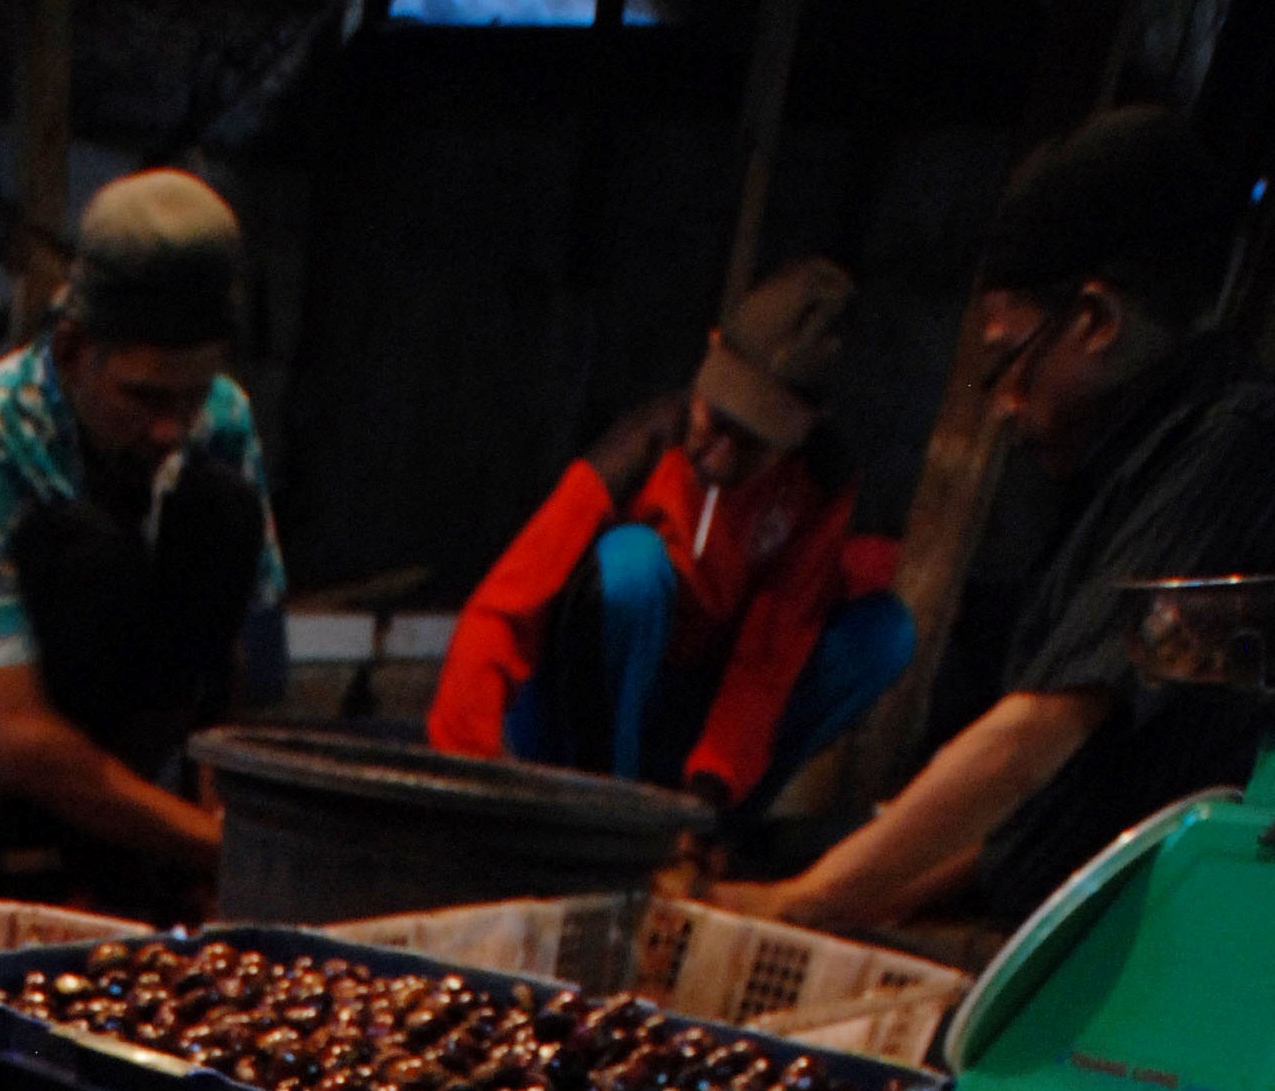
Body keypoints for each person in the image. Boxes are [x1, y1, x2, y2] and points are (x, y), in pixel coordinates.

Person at [718, 107, 1275, 933]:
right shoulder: (1117, 458)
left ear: (1095, 323)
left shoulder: (1229, 447)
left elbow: (1034, 739)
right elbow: (1043, 809)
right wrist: (864, 902)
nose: (1005, 404)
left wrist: (804, 899)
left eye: (1007, 359)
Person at [0, 169, 286, 919]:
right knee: (87, 551)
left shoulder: (219, 417)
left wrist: (221, 835)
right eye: (145, 396)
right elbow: (13, 732)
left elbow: (235, 659)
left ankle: (128, 843)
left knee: (219, 508)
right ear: (75, 349)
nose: (171, 427)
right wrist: (224, 850)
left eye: (191, 395)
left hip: (106, 717)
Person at [430, 258, 912, 818]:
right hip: (585, 710)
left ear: (806, 428)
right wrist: (466, 772)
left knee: (885, 635)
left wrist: (709, 791)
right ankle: (602, 810)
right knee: (632, 568)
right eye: (717, 421)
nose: (721, 457)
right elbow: (504, 610)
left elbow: (769, 658)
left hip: (691, 714)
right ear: (711, 353)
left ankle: (714, 824)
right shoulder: (641, 448)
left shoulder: (820, 483)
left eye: (753, 442)